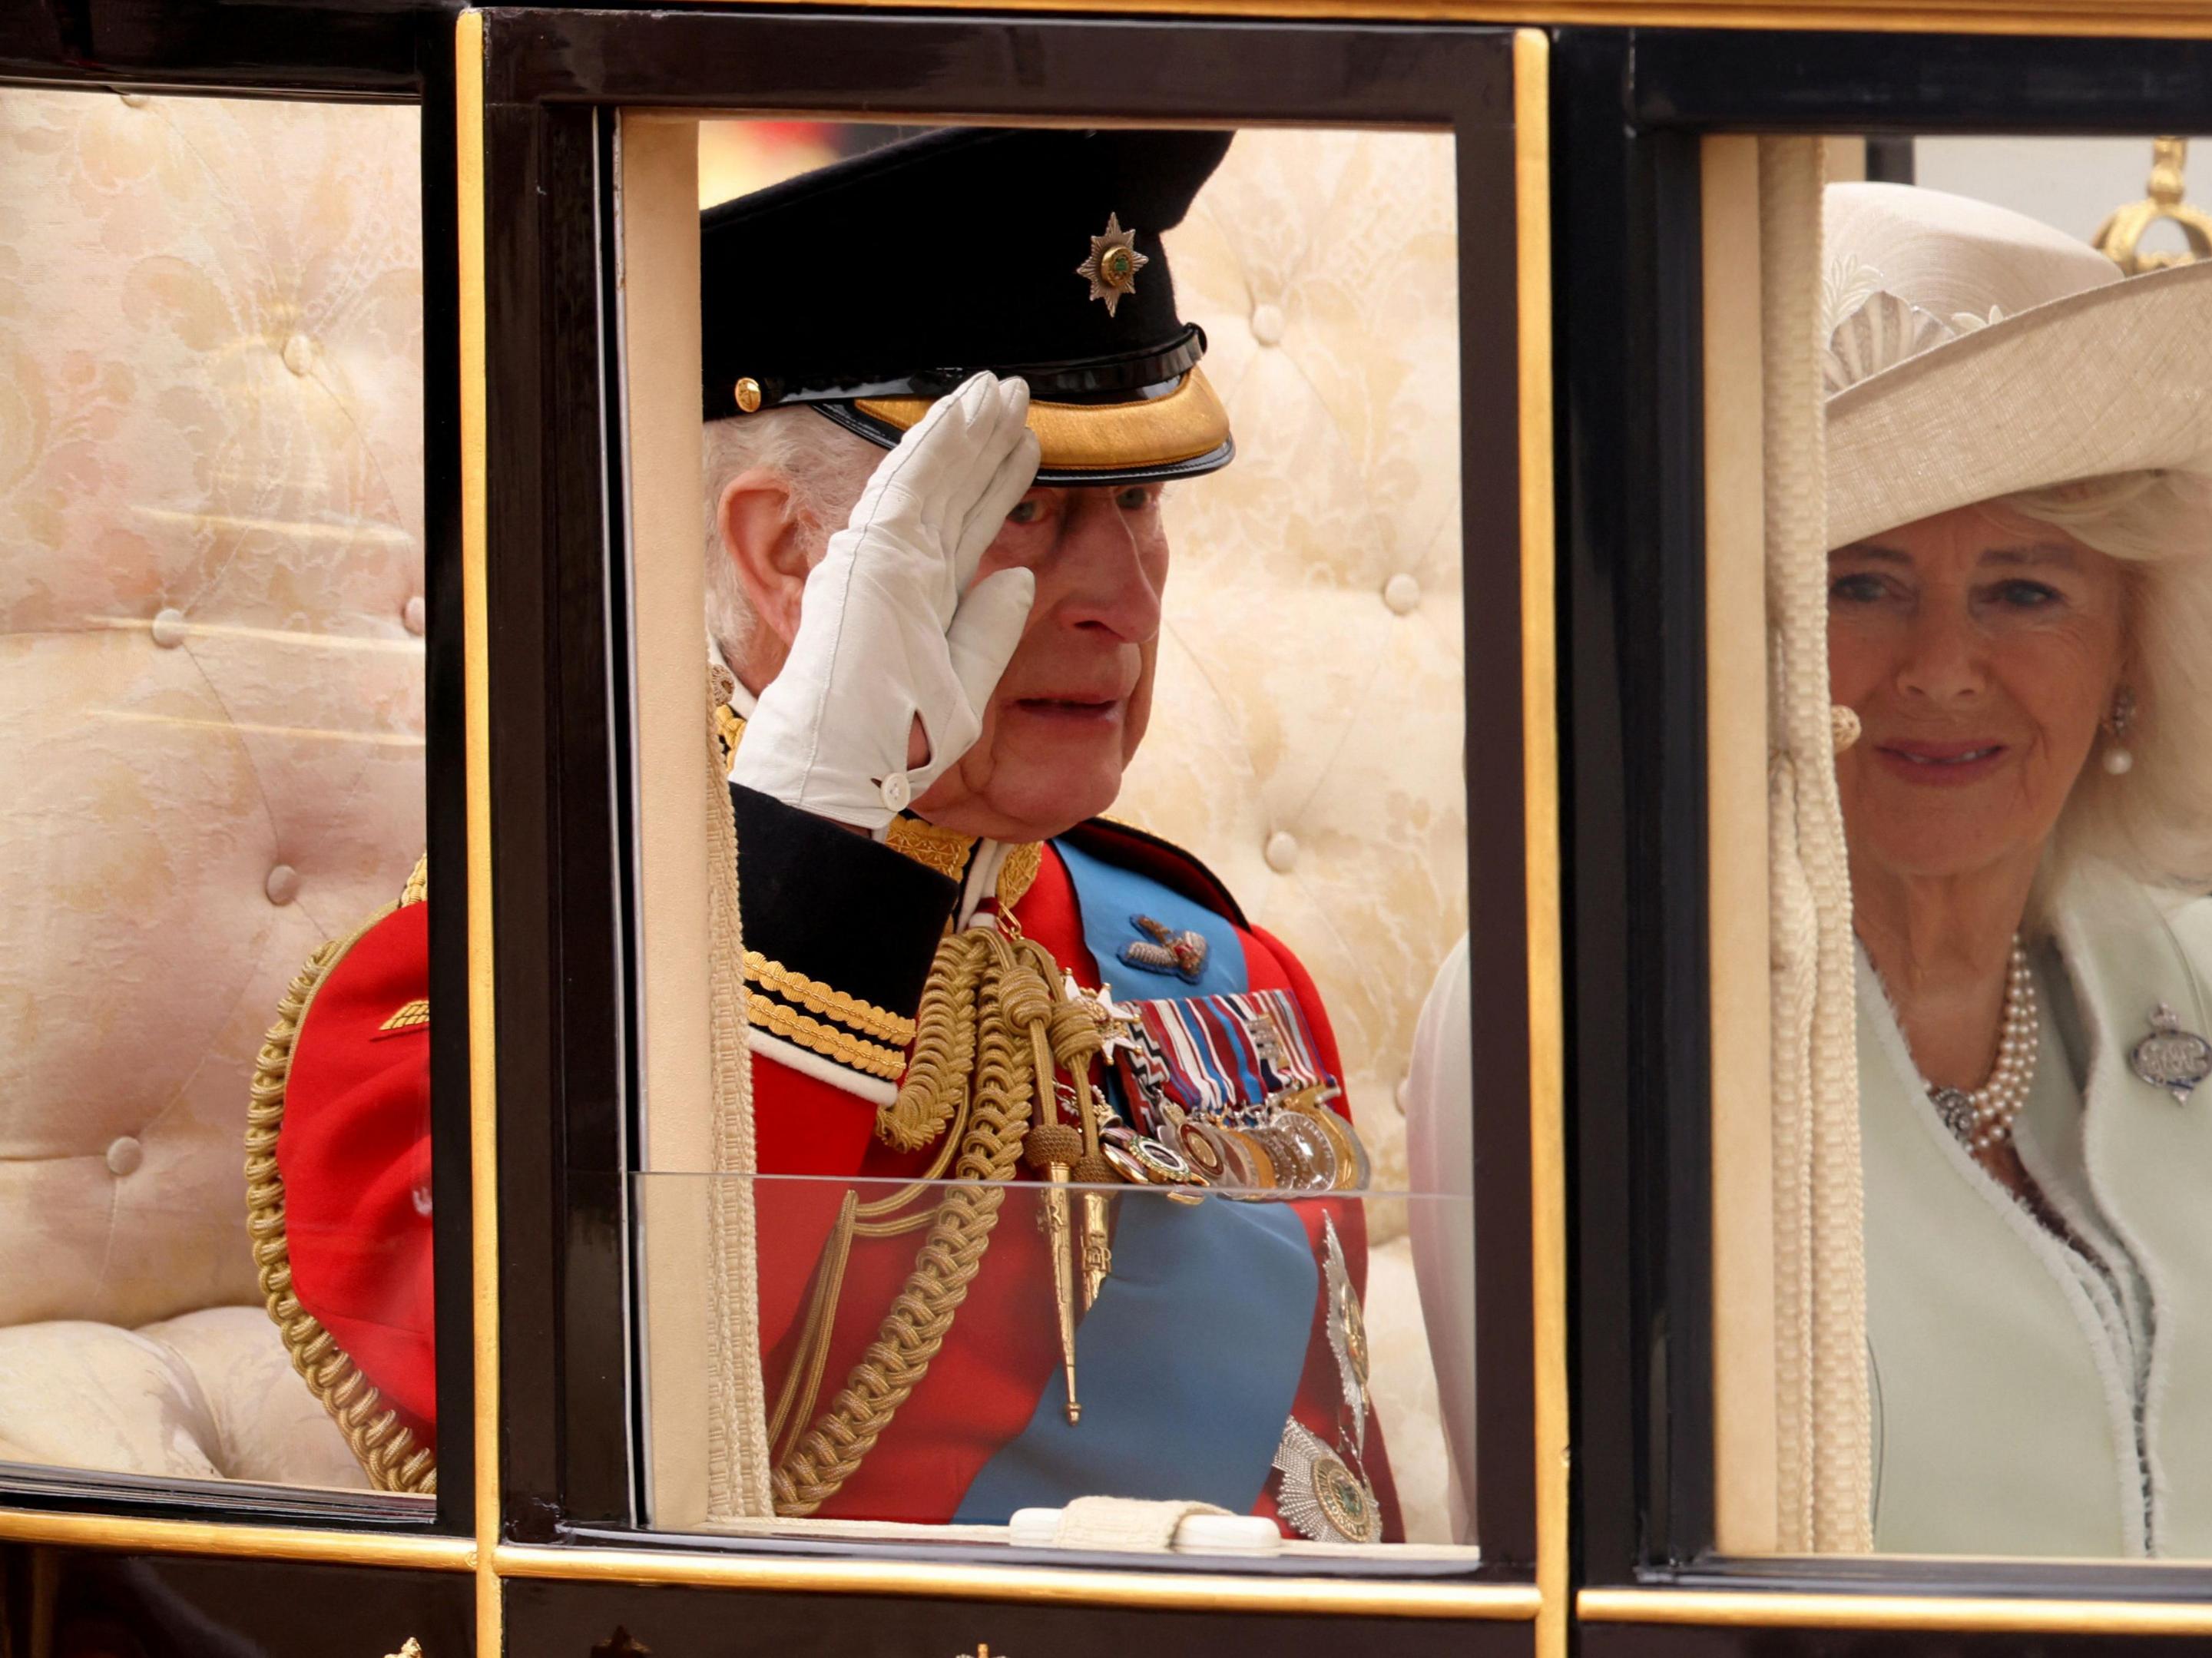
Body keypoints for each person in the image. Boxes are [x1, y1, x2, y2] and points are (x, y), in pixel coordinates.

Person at [253, 127, 1397, 1540]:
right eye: (1028, 509)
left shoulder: (1225, 970)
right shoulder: (488, 987)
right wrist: (803, 849)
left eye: (1141, 502)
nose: (1121, 595)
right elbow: (548, 1421)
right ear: (783, 554)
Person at [1820, 184, 2212, 1560]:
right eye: (1864, 582)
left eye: (2025, 590)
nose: (1940, 667)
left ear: (2132, 660)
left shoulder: (2211, 982)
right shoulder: (1603, 1031)